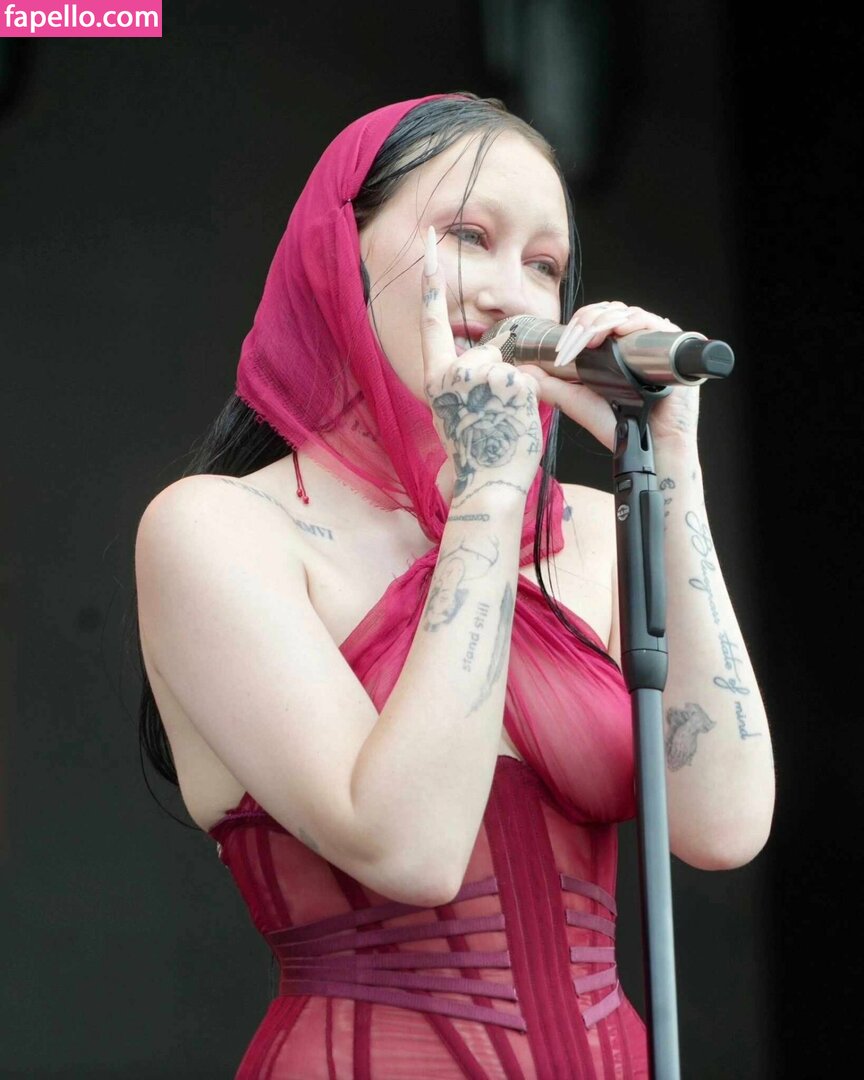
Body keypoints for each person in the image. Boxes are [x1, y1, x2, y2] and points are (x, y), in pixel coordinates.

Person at [133, 92, 775, 1078]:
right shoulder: (220, 531)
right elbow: (413, 849)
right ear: (341, 253)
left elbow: (725, 824)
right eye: (470, 237)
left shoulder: (591, 534)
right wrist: (487, 495)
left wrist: (672, 468)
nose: (514, 293)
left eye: (545, 266)